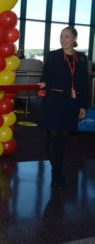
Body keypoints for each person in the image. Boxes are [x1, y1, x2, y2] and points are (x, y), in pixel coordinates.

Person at [38, 26, 88, 189]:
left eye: (66, 36)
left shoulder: (81, 58)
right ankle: (56, 173)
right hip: (54, 101)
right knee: (53, 136)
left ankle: (58, 171)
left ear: (74, 38)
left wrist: (83, 105)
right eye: (61, 36)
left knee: (63, 138)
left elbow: (84, 83)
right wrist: (43, 83)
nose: (63, 39)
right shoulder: (53, 56)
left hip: (72, 103)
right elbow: (45, 76)